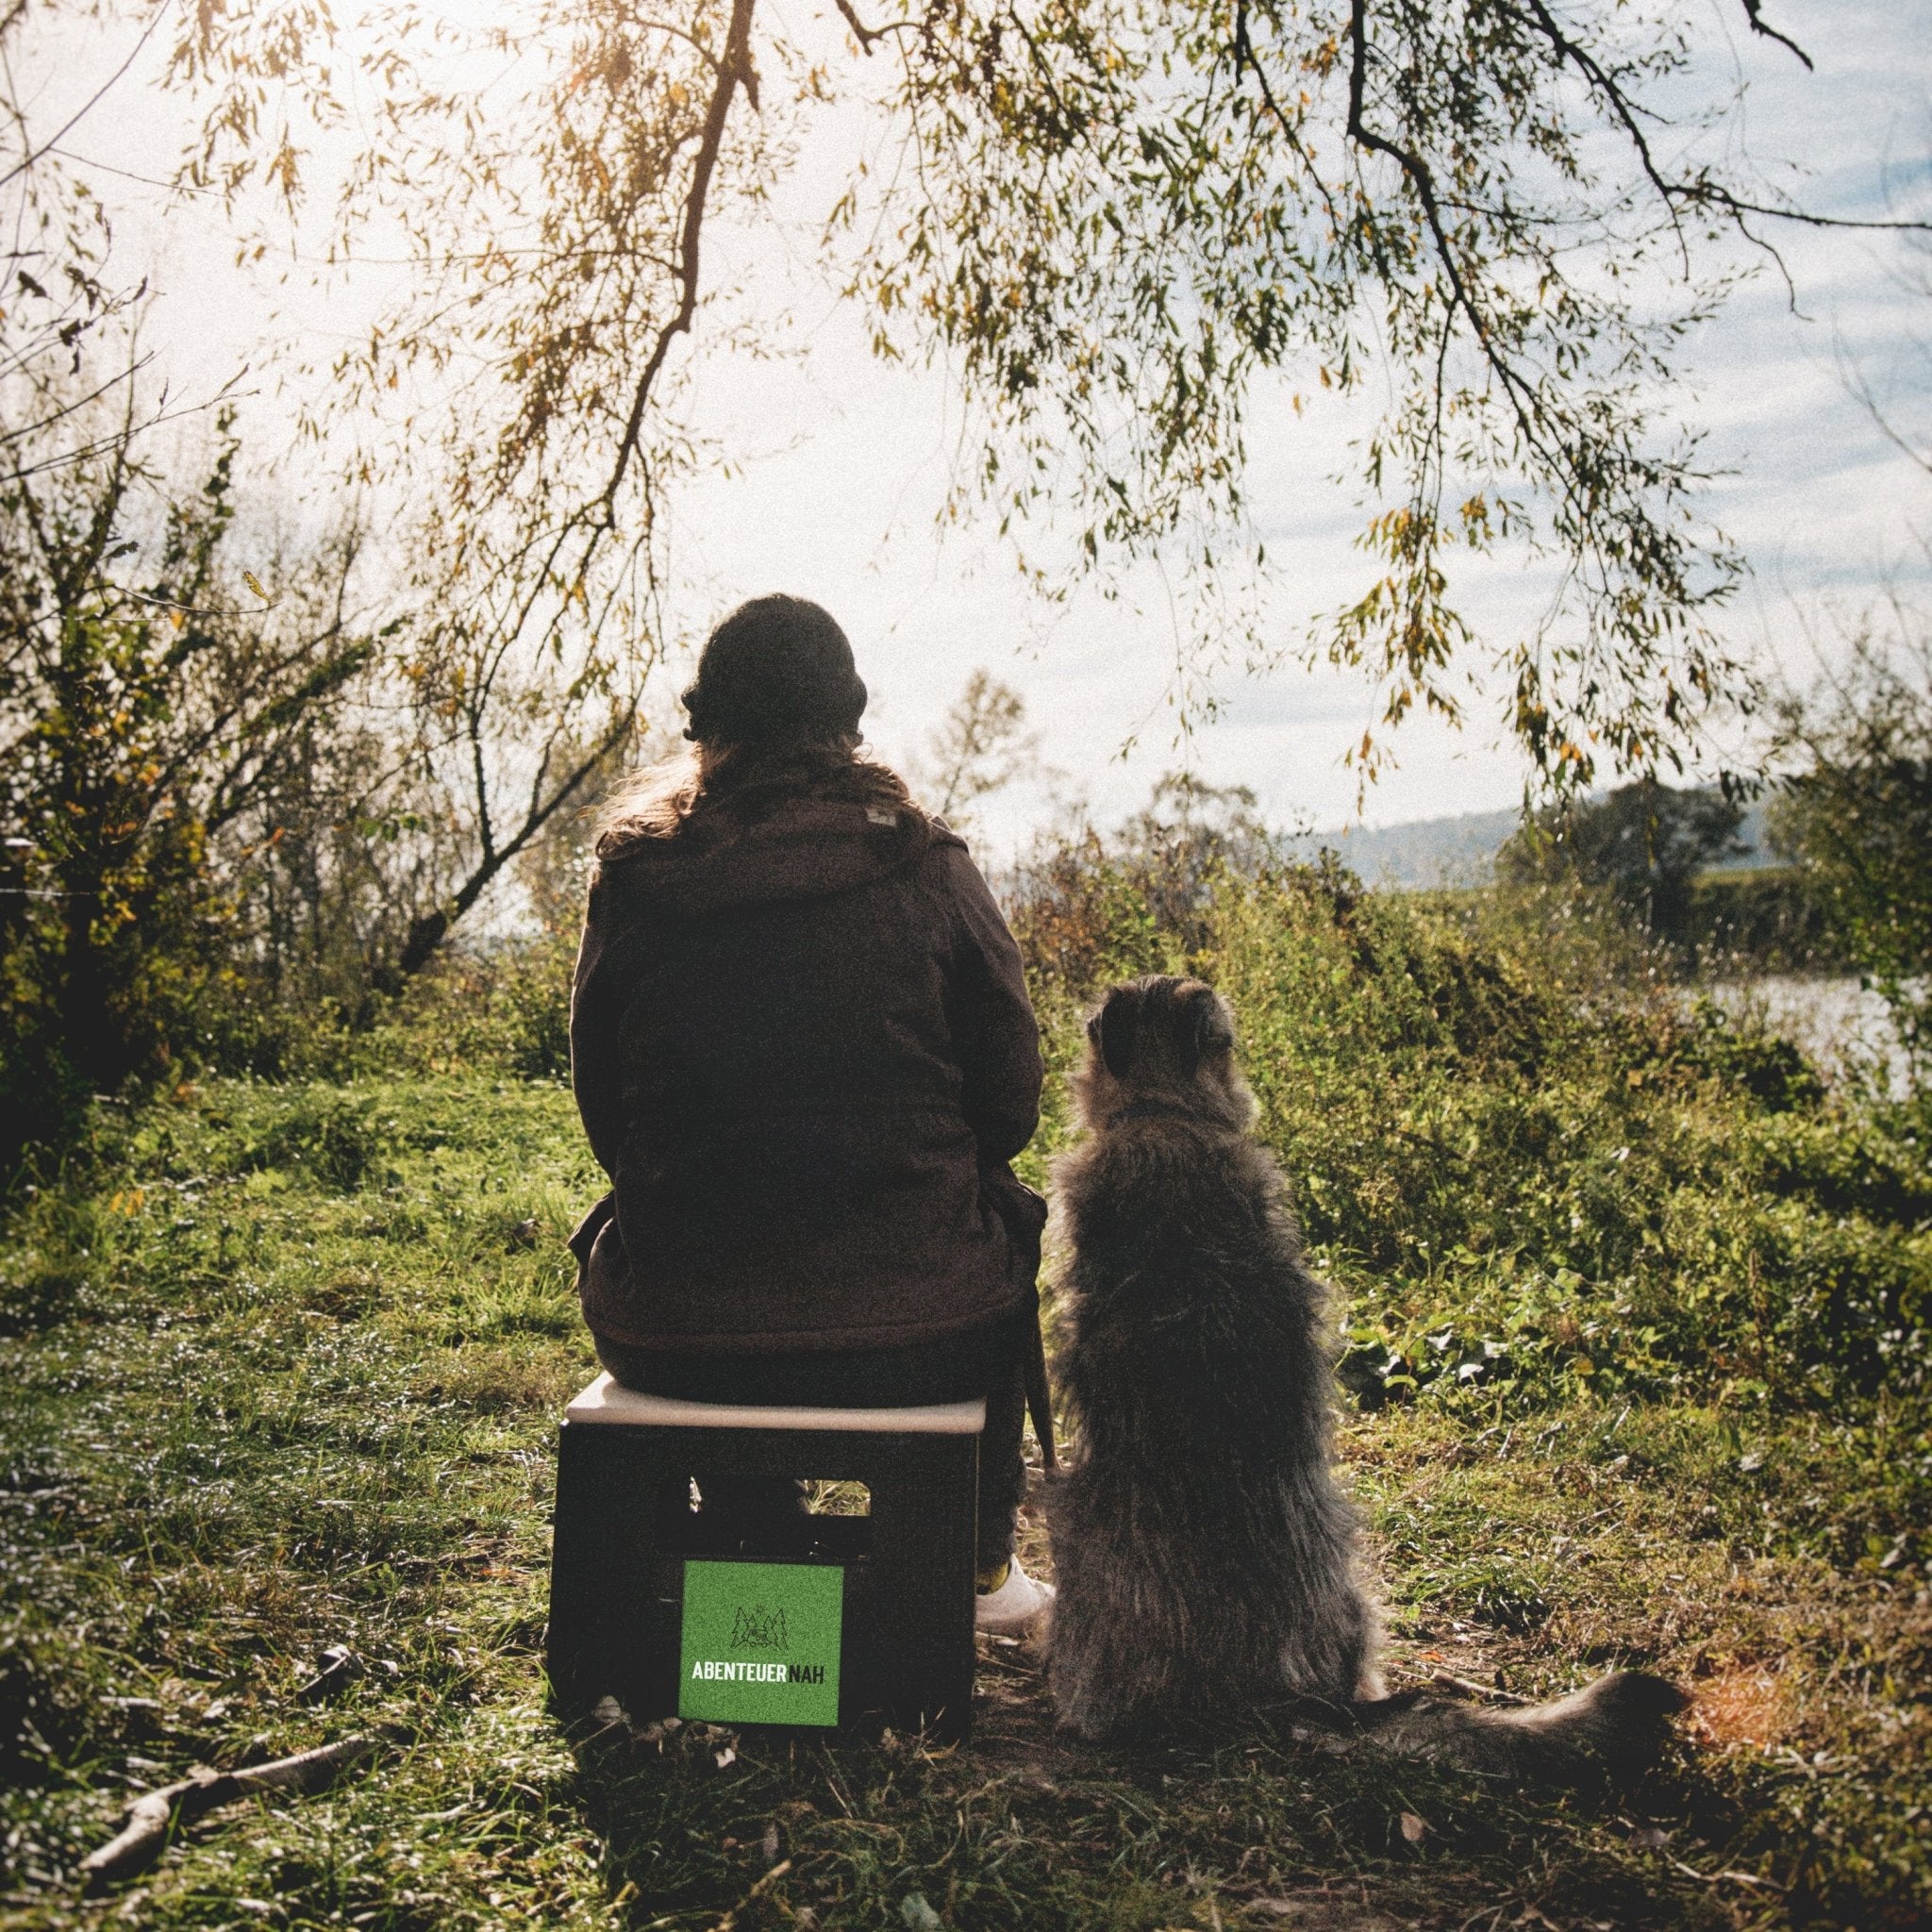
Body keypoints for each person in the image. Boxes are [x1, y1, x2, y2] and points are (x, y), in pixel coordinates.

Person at [567, 593, 1054, 1633]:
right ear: (847, 723)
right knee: (1005, 1211)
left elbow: (606, 1116)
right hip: (918, 1332)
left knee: (721, 1265)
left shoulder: (634, 878)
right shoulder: (926, 865)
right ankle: (974, 1574)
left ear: (706, 728)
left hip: (675, 1332)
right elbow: (1008, 1104)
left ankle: (756, 1585)